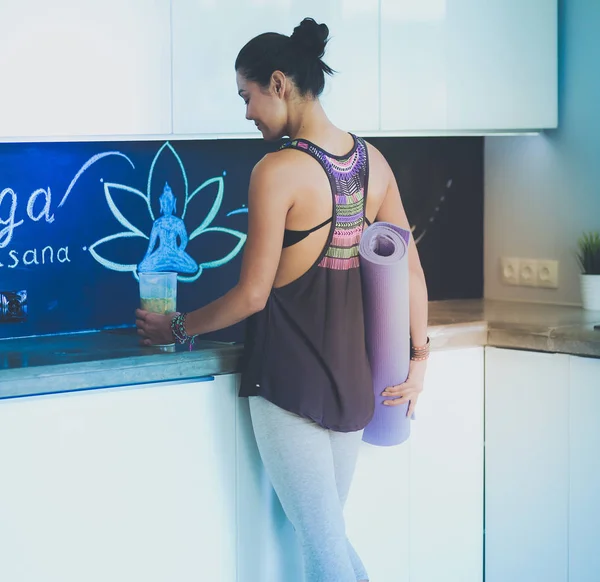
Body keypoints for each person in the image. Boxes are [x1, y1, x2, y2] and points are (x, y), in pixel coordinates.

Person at [136, 17, 429, 582]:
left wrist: (177, 328)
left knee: (324, 554)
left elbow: (251, 295)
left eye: (246, 96)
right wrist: (420, 359)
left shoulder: (277, 170)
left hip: (287, 385)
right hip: (350, 387)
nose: (246, 112)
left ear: (278, 83)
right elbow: (412, 270)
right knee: (328, 548)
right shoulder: (375, 163)